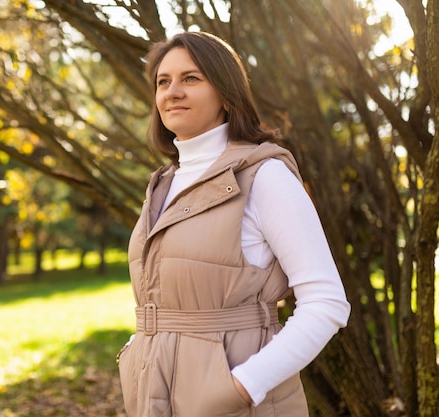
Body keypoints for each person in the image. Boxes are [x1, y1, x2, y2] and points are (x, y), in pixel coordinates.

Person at [116, 31, 351, 417]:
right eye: (163, 81)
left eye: (191, 78)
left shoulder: (265, 176)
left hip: (235, 403)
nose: (172, 91)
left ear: (226, 93)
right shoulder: (162, 184)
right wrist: (137, 350)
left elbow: (326, 302)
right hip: (154, 394)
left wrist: (243, 386)